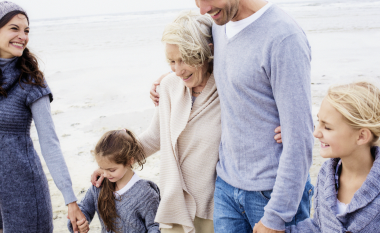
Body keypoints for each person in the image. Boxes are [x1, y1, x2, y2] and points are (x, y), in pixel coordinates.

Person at [92, 11, 282, 233]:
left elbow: (261, 111)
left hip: (214, 207)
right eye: (171, 61)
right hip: (175, 207)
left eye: (184, 60)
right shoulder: (170, 87)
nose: (177, 69)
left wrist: (286, 126)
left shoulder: (226, 87)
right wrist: (110, 164)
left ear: (203, 53)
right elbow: (154, 138)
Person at [150, 0, 315, 232]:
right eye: (198, 2)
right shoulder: (219, 25)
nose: (203, 10)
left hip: (270, 191)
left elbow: (301, 138)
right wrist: (171, 75)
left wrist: (276, 216)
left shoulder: (284, 38)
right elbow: (196, 52)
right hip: (226, 189)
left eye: (207, 0)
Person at [0, 1, 85, 232]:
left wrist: (70, 199)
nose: (23, 36)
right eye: (14, 28)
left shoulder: (31, 81)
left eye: (26, 30)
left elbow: (49, 142)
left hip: (24, 193)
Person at [285, 81, 380, 232]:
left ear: (362, 136)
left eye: (327, 127)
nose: (316, 133)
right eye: (318, 122)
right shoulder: (325, 175)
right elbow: (319, 226)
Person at [68, 129, 160, 233]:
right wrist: (80, 223)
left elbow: (155, 226)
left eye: (111, 170)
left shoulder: (146, 194)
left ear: (130, 161)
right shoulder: (99, 185)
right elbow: (83, 209)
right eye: (102, 168)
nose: (106, 174)